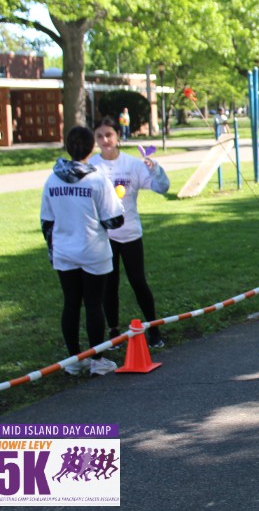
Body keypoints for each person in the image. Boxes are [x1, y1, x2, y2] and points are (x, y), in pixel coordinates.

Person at [40, 125, 124, 376]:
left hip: (64, 250)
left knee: (71, 303)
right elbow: (114, 221)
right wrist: (118, 201)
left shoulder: (52, 179)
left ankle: (74, 360)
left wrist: (55, 247)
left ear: (68, 147)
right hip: (93, 250)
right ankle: (97, 359)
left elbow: (46, 222)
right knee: (94, 304)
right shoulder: (98, 179)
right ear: (91, 148)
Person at [90, 117, 170, 348]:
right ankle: (114, 332)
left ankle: (154, 329)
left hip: (130, 233)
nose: (105, 140)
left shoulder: (133, 164)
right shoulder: (92, 166)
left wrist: (156, 170)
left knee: (138, 281)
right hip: (104, 237)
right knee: (109, 284)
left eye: (109, 135)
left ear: (118, 136)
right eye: (99, 136)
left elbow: (162, 187)